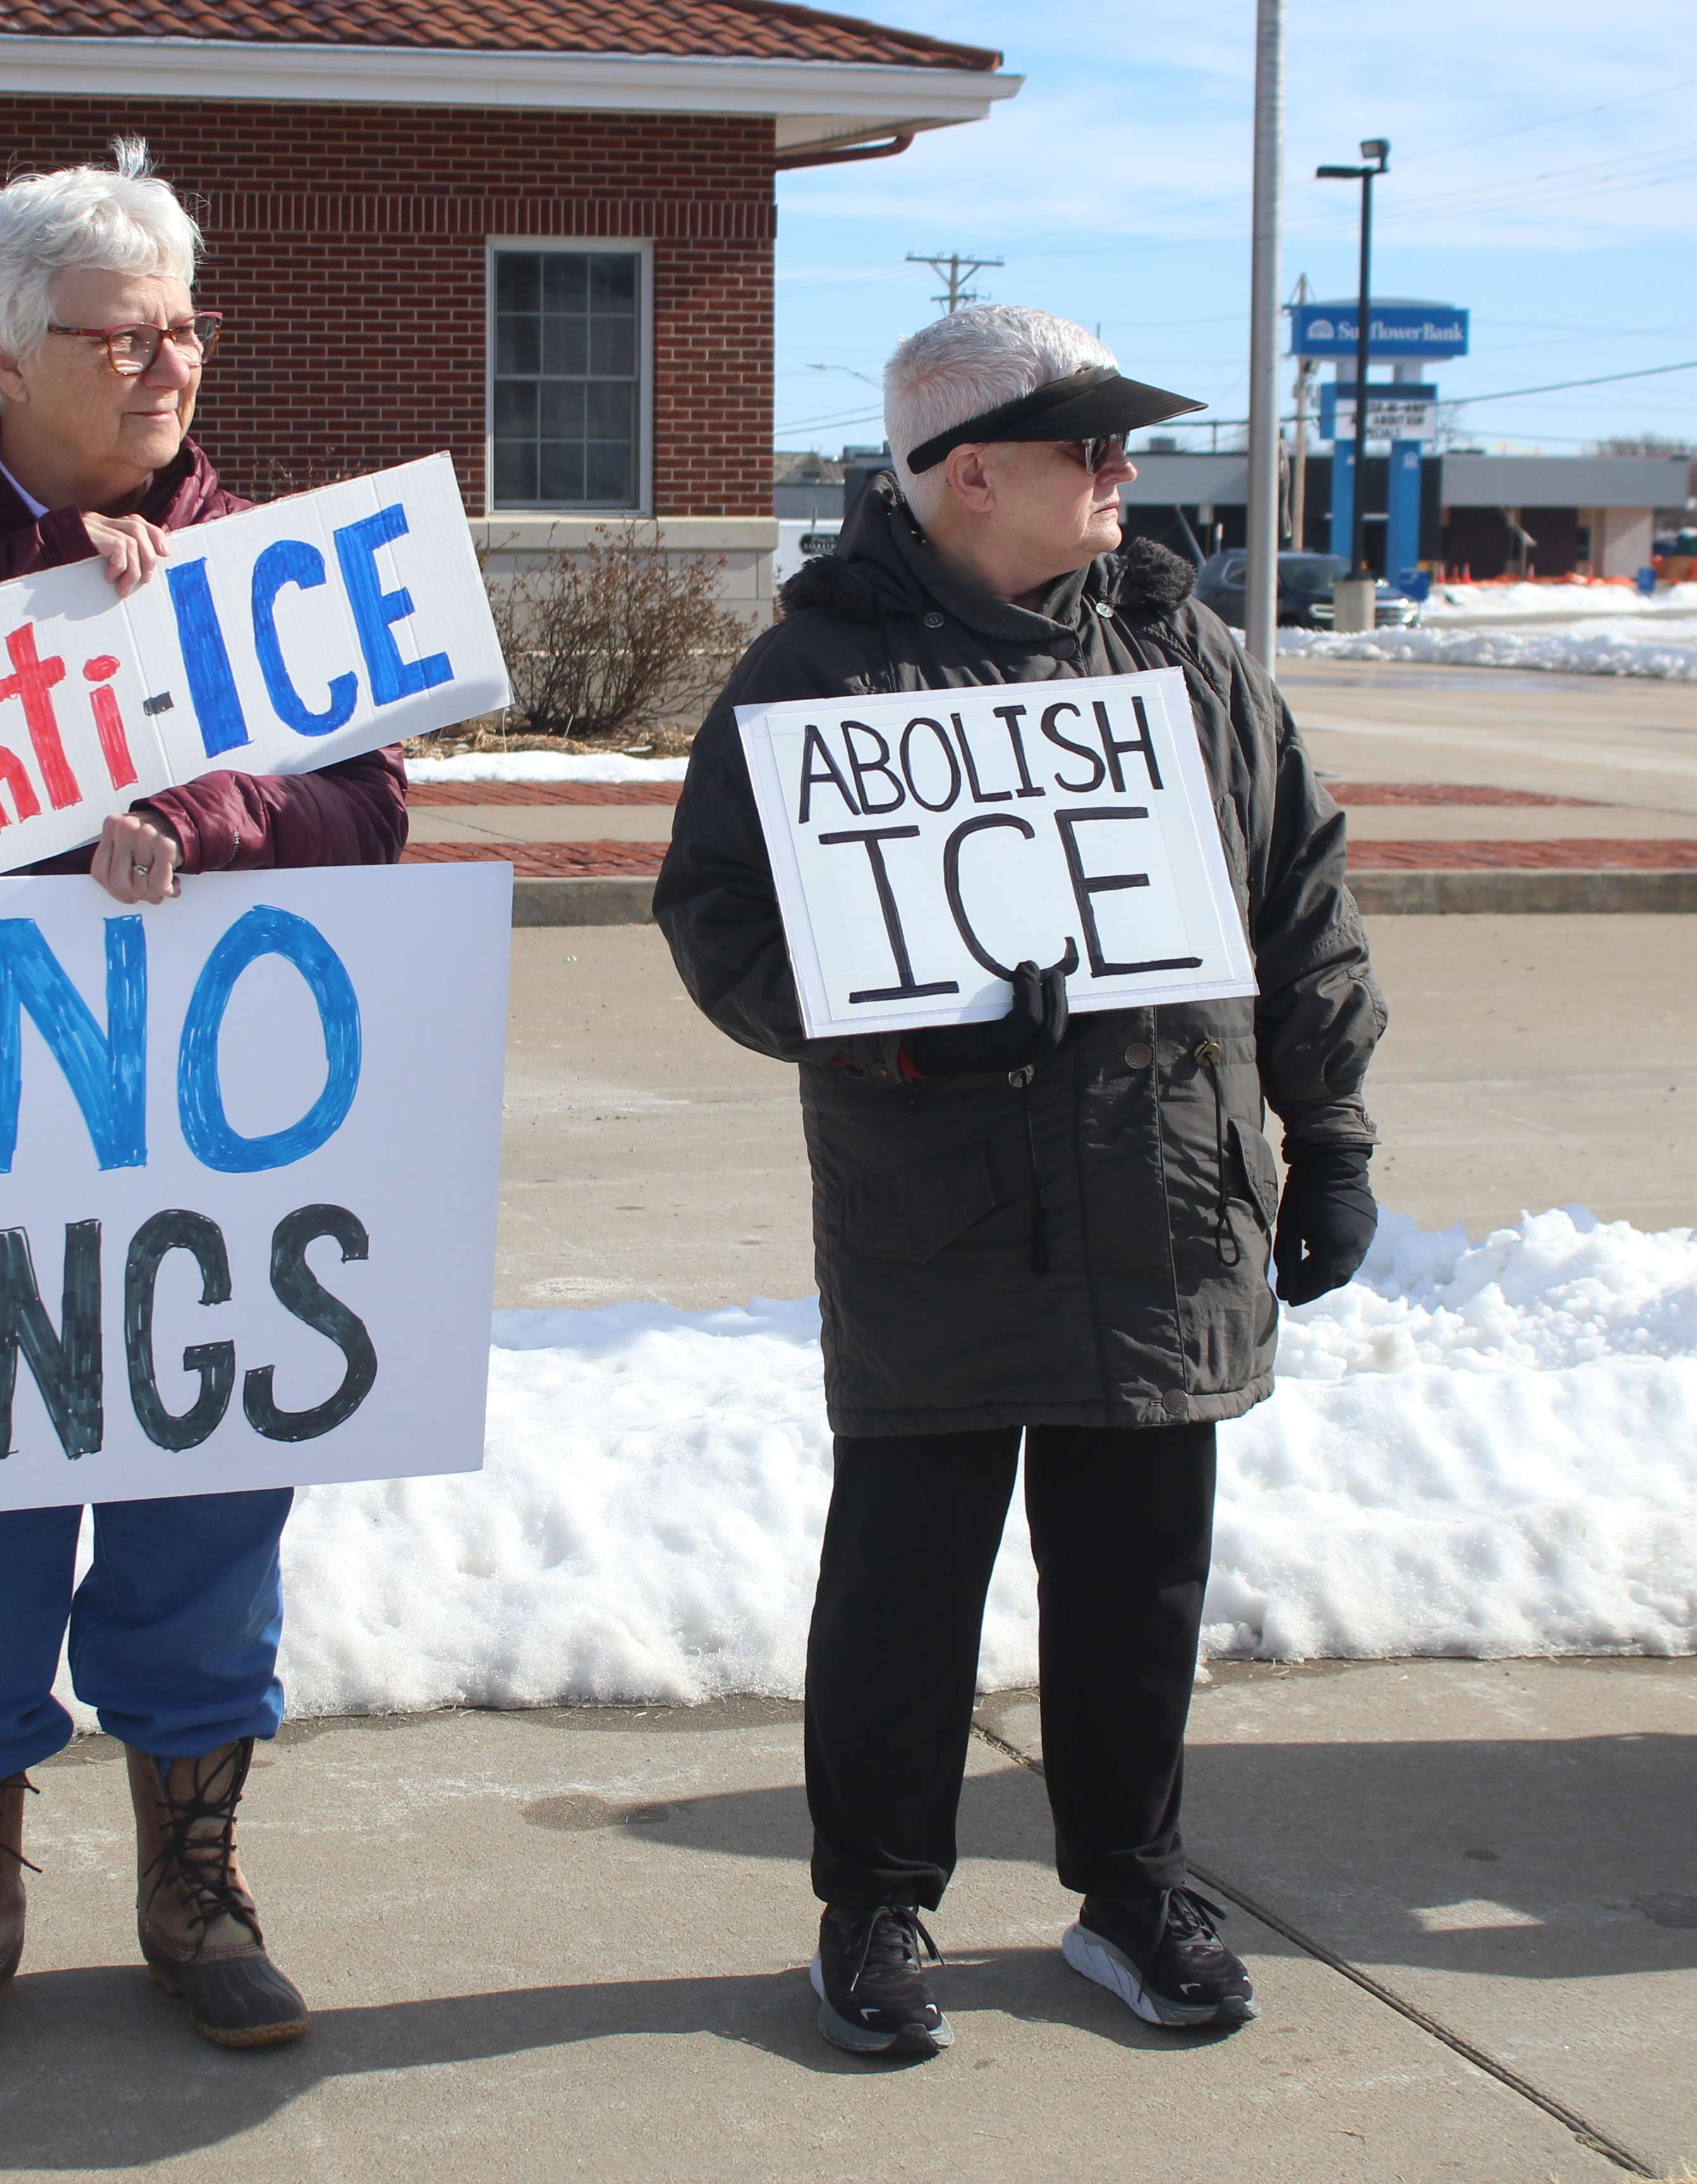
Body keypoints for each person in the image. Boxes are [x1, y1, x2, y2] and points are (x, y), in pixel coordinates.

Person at [654, 307, 1386, 2054]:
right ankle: (876, 1907)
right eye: (1091, 449)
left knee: (1139, 1577)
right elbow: (718, 924)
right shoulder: (818, 679)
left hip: (1170, 1193)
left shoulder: (1191, 657)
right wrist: (897, 1025)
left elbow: (1302, 897)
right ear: (971, 475)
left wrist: (1334, 1133)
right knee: (909, 1576)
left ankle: (1131, 1893)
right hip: (944, 1212)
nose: (1124, 475)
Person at [0, 140, 406, 2069]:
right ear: (0, 348)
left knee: (204, 1479)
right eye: (120, 333)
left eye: (185, 327)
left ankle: (193, 1879)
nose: (167, 365)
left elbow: (360, 807)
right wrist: (42, 618)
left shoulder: (251, 550)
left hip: (205, 1125)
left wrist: (206, 812)